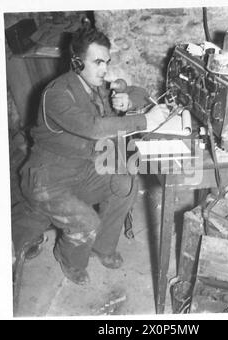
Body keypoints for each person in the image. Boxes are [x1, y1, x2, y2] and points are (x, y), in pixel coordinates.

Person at [12, 25, 170, 285]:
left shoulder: (94, 87)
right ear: (76, 62)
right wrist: (144, 121)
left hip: (81, 171)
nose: (104, 69)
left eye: (106, 62)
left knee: (125, 182)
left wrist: (127, 99)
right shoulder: (56, 94)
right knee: (86, 223)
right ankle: (68, 257)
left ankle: (103, 247)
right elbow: (93, 128)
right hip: (47, 180)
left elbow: (139, 93)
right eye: (97, 62)